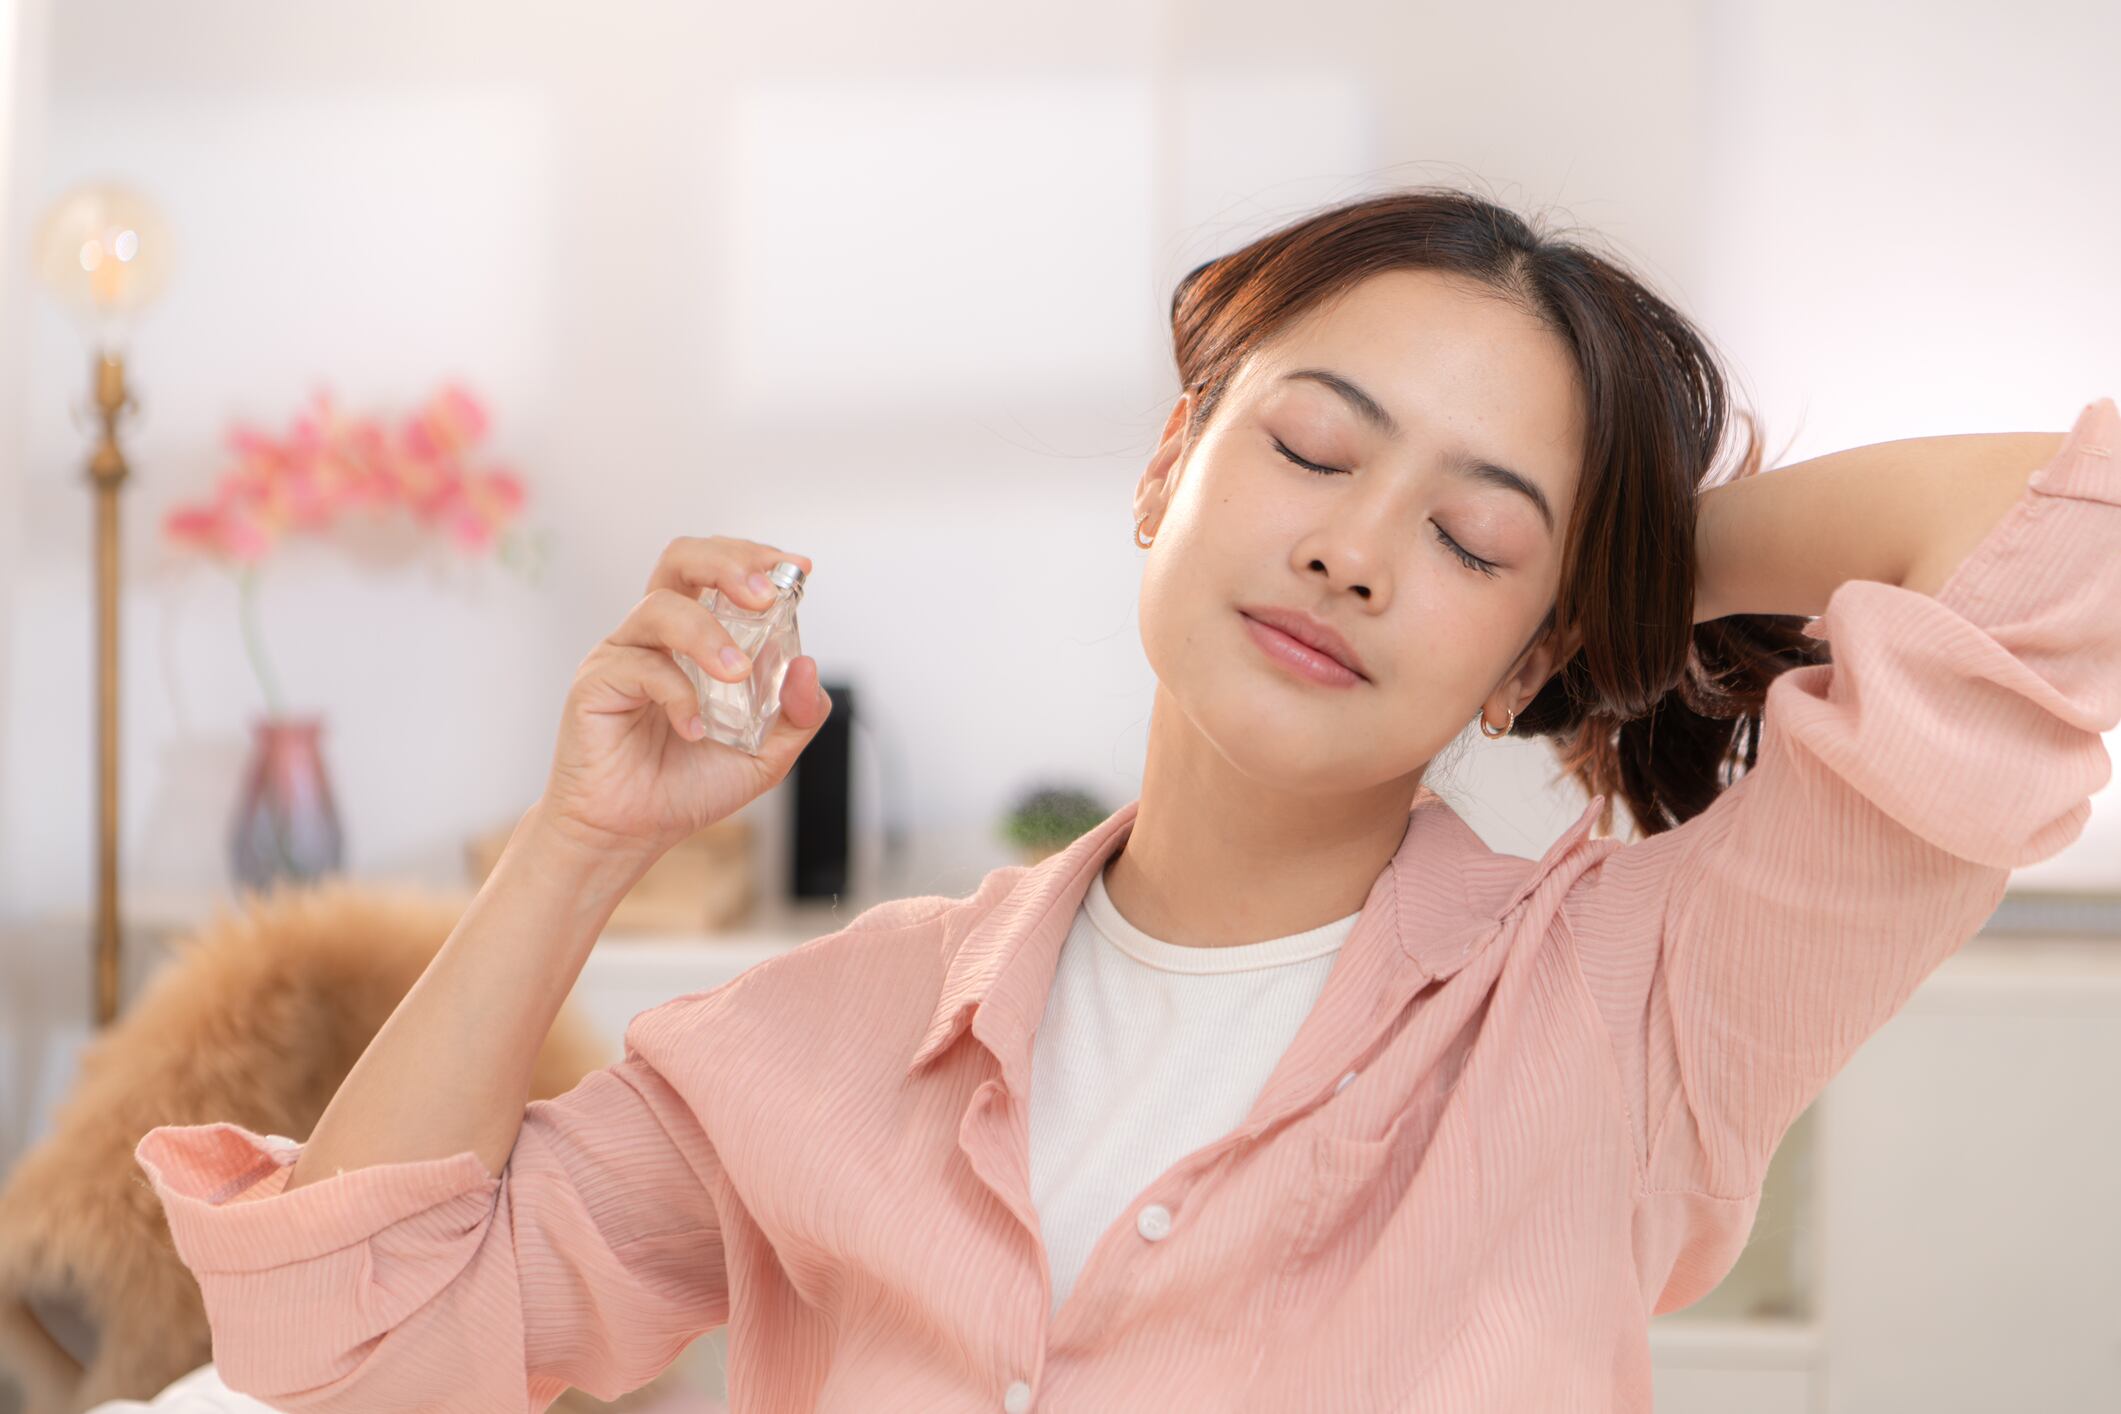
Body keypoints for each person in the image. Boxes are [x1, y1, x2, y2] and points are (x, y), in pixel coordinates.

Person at [134, 186, 2120, 1412]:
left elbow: (2068, 541)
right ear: (1168, 467)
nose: (1352, 551)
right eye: (1314, 449)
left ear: (1530, 657)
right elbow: (349, 1353)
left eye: (1466, 535)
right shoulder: (820, 1040)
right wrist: (579, 844)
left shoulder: (1636, 1009)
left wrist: (1609, 573)